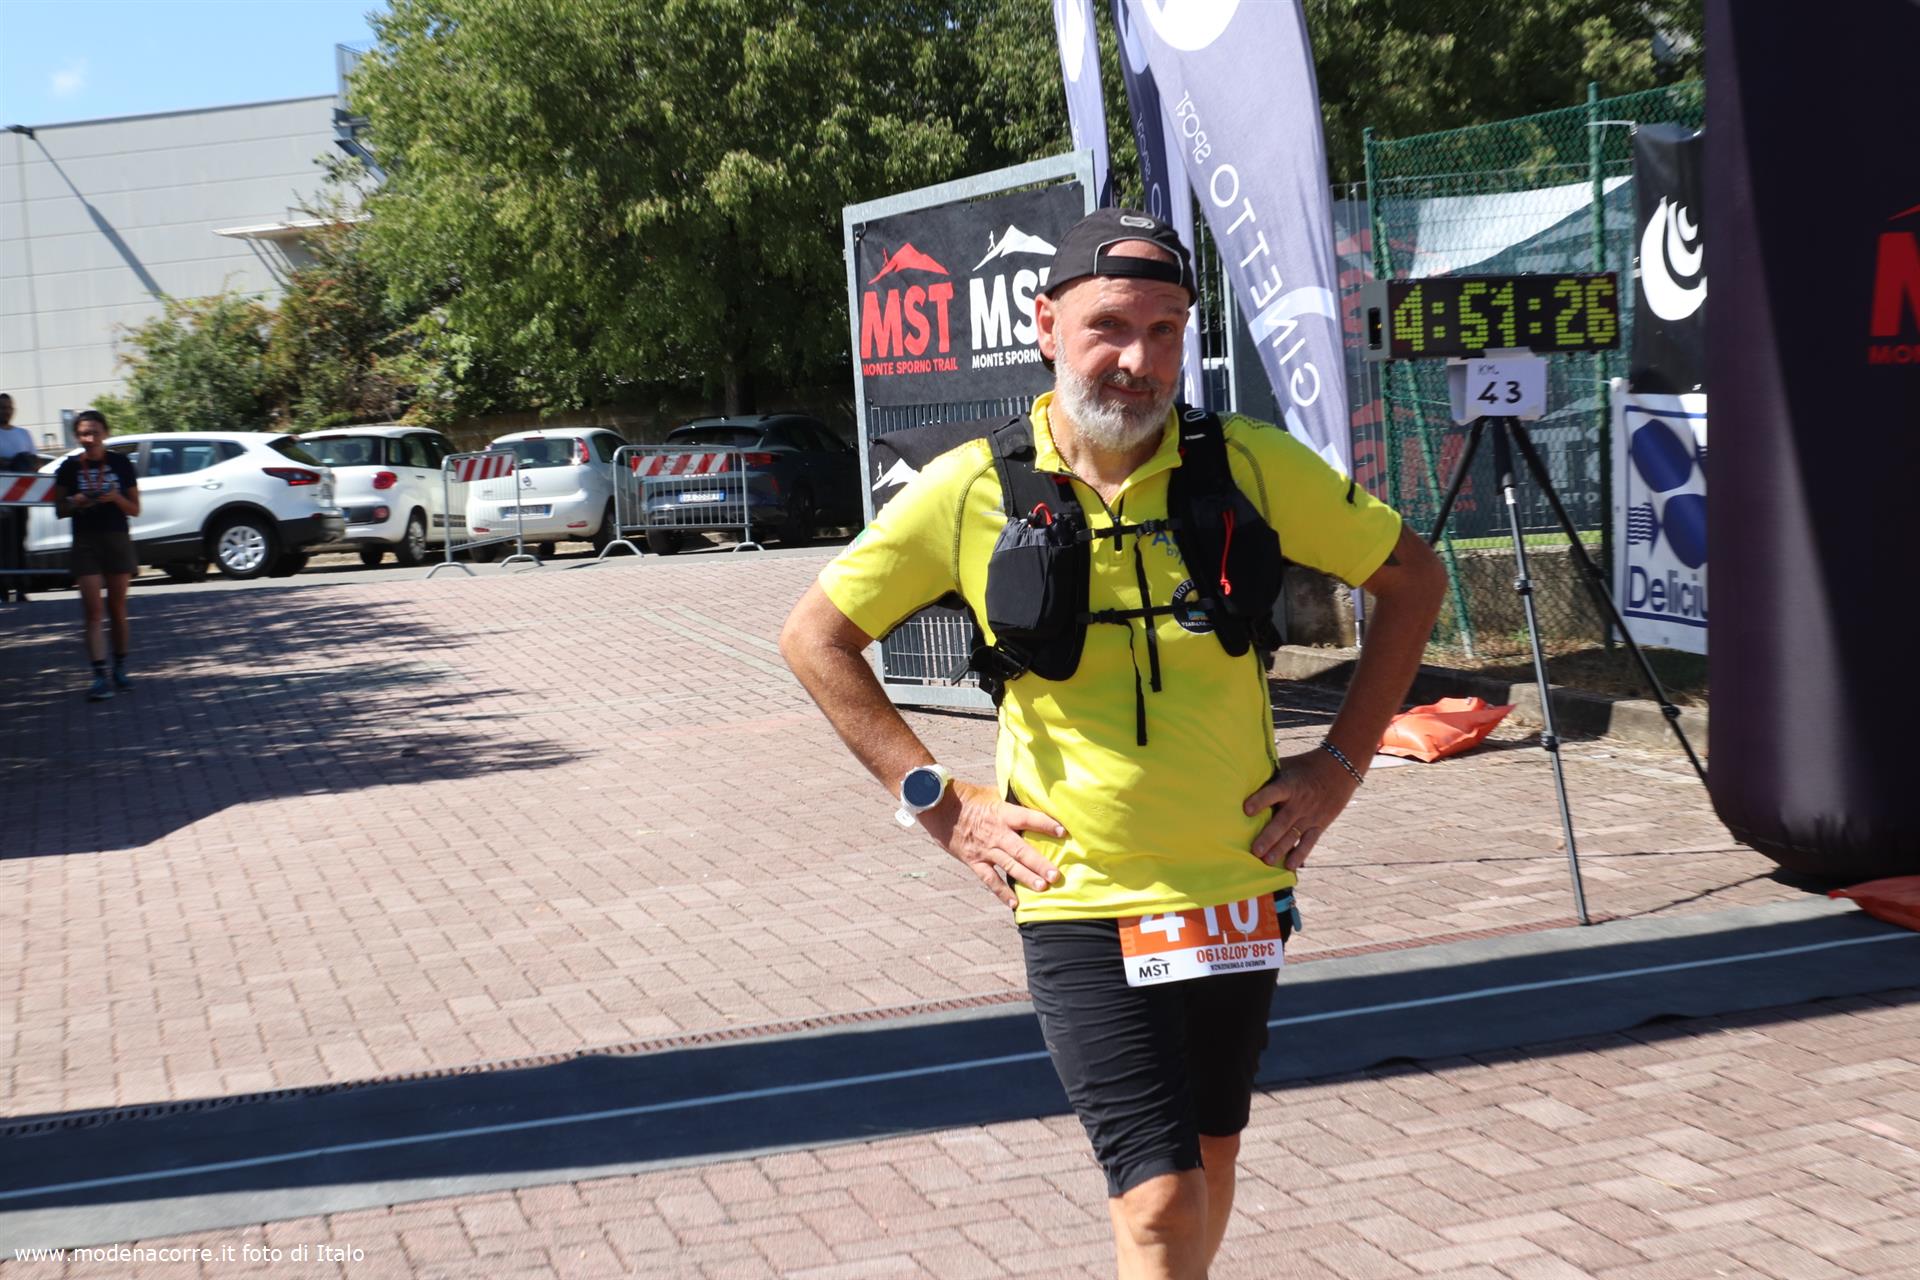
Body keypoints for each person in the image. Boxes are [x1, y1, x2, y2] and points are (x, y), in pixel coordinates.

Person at [781, 209, 1446, 1279]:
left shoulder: (1250, 464)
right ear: (1047, 326)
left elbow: (1413, 577)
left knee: (1212, 1152)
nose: (1139, 360)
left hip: (1237, 880)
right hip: (1077, 892)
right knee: (1158, 1192)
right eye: (1109, 327)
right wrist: (939, 803)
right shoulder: (974, 485)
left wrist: (1339, 766)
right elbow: (816, 638)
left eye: (1165, 329)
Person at [51, 408, 141, 701]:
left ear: (105, 433)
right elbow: (59, 509)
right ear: (77, 436)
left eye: (94, 433)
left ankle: (120, 668)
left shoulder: (120, 463)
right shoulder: (69, 467)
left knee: (117, 608)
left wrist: (115, 497)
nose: (89, 439)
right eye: (83, 434)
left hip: (116, 538)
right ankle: (99, 675)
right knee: (93, 611)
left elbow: (135, 509)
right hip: (85, 542)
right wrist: (76, 501)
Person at [0, 393, 39, 603]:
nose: (6, 411)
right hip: (1, 500)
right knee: (2, 543)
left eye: (8, 407)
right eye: (2, 407)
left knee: (19, 541)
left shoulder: (24, 434)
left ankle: (21, 586)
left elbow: (35, 462)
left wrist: (23, 462)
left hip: (21, 500)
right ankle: (3, 589)